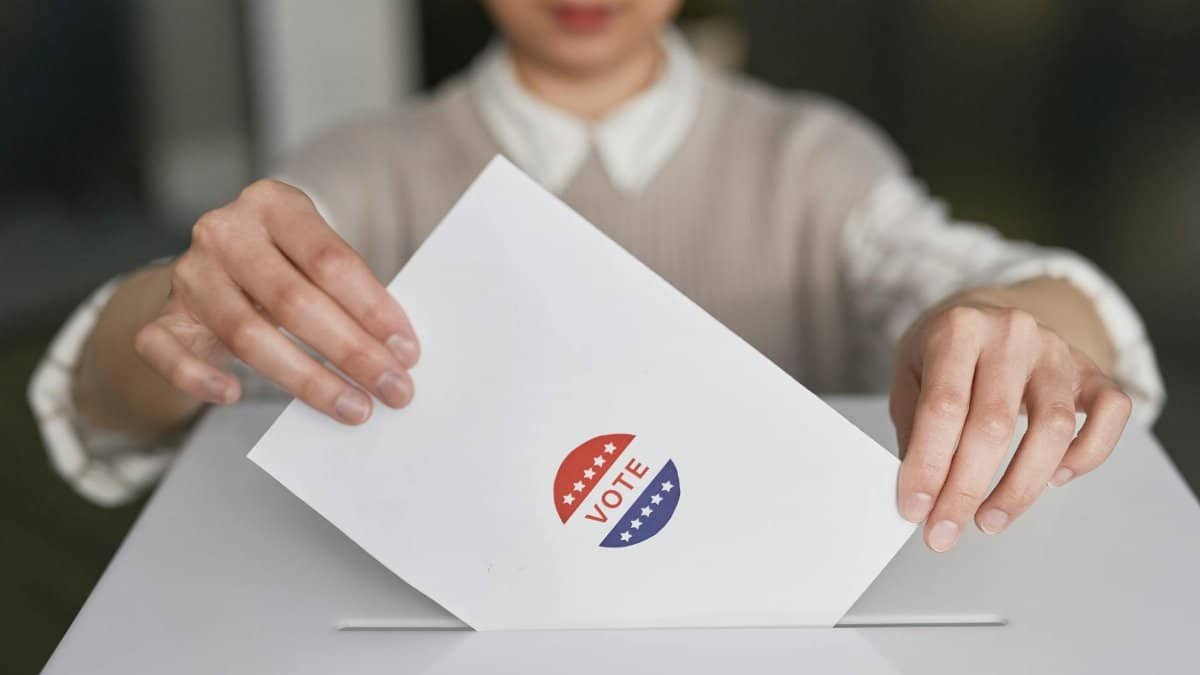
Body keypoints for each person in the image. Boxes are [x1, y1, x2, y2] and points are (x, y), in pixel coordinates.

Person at [29, 0, 1164, 554]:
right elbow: (104, 404)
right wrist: (183, 309)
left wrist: (1009, 323)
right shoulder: (360, 170)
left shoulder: (813, 158)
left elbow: (990, 284)